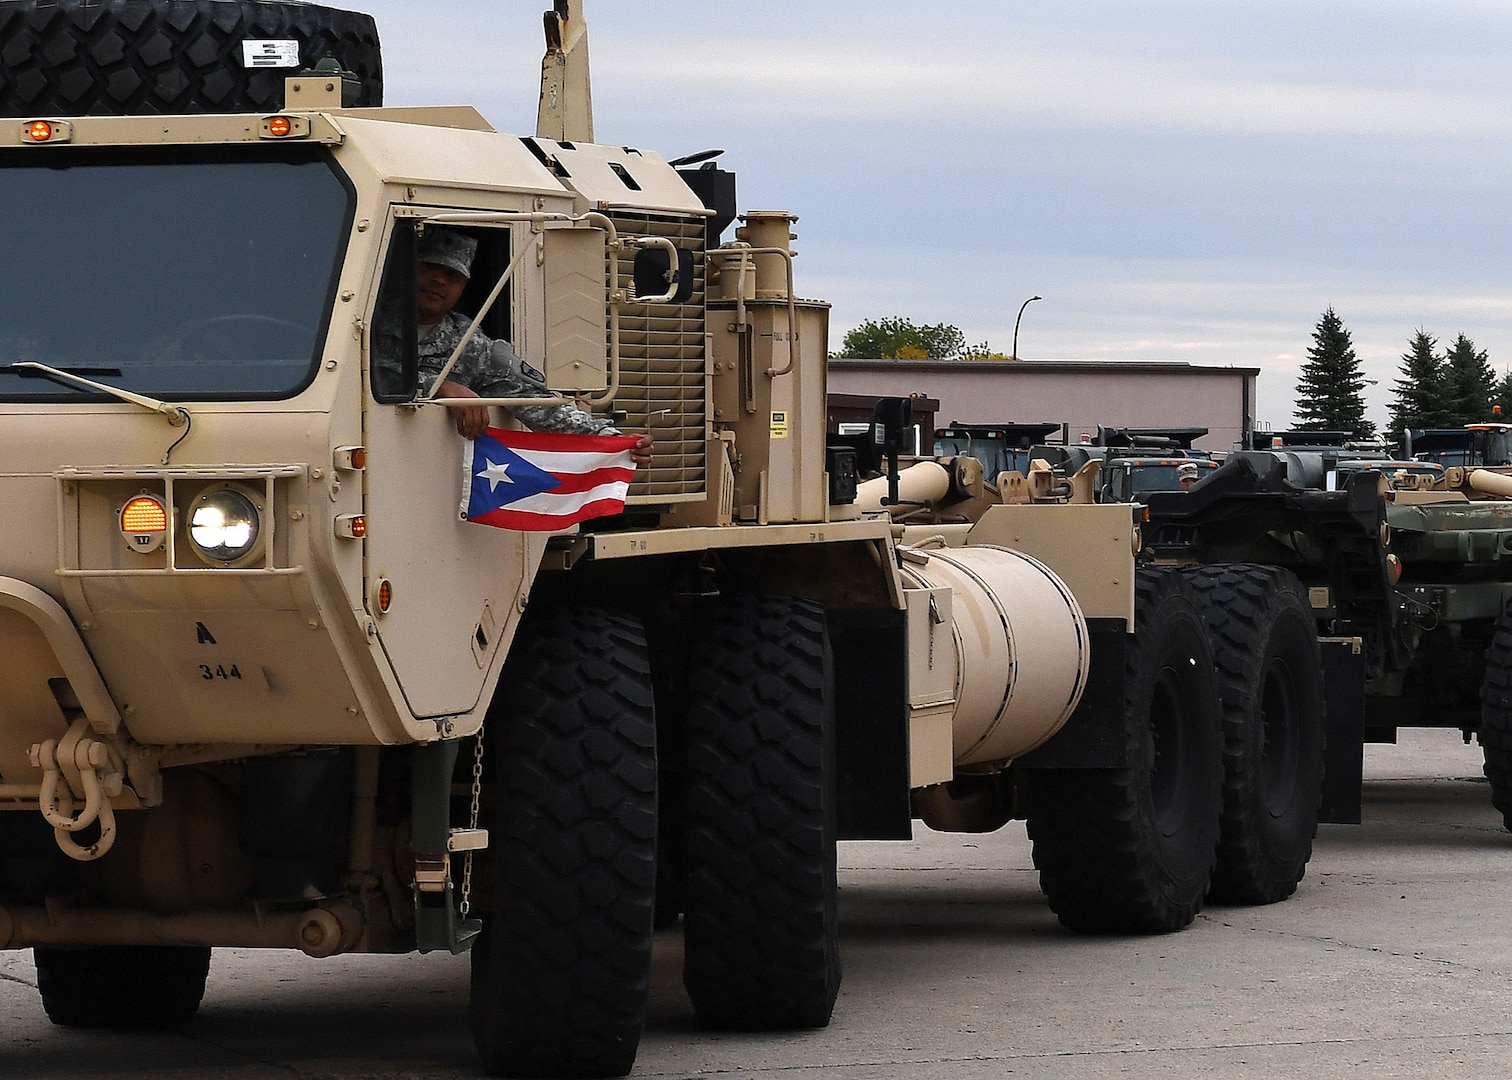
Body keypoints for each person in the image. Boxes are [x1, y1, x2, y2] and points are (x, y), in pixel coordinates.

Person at [374, 227, 653, 464]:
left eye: (453, 276)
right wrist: (441, 387)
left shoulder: (474, 348)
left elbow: (541, 405)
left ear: (463, 288)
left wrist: (614, 441)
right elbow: (359, 375)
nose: (439, 280)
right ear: (409, 270)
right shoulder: (366, 322)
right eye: (429, 268)